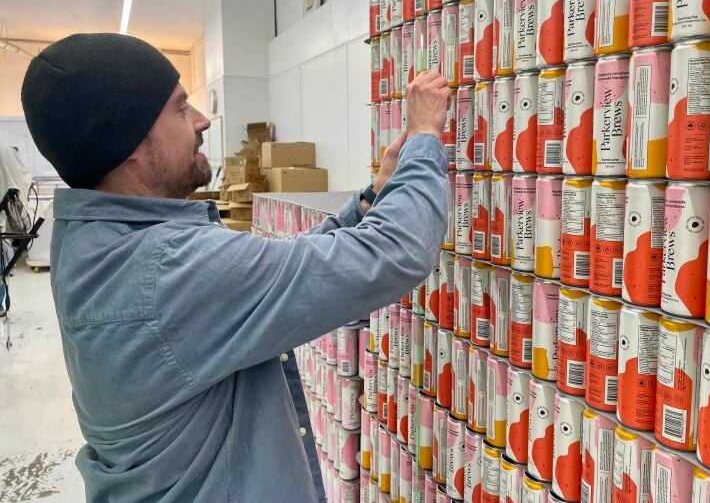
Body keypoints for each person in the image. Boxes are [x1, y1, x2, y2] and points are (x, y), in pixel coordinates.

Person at [20, 33, 449, 502]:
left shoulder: (92, 244)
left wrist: (369, 200)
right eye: (181, 109)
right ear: (131, 145)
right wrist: (425, 135)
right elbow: (396, 252)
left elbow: (270, 272)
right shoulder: (164, 270)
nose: (202, 121)